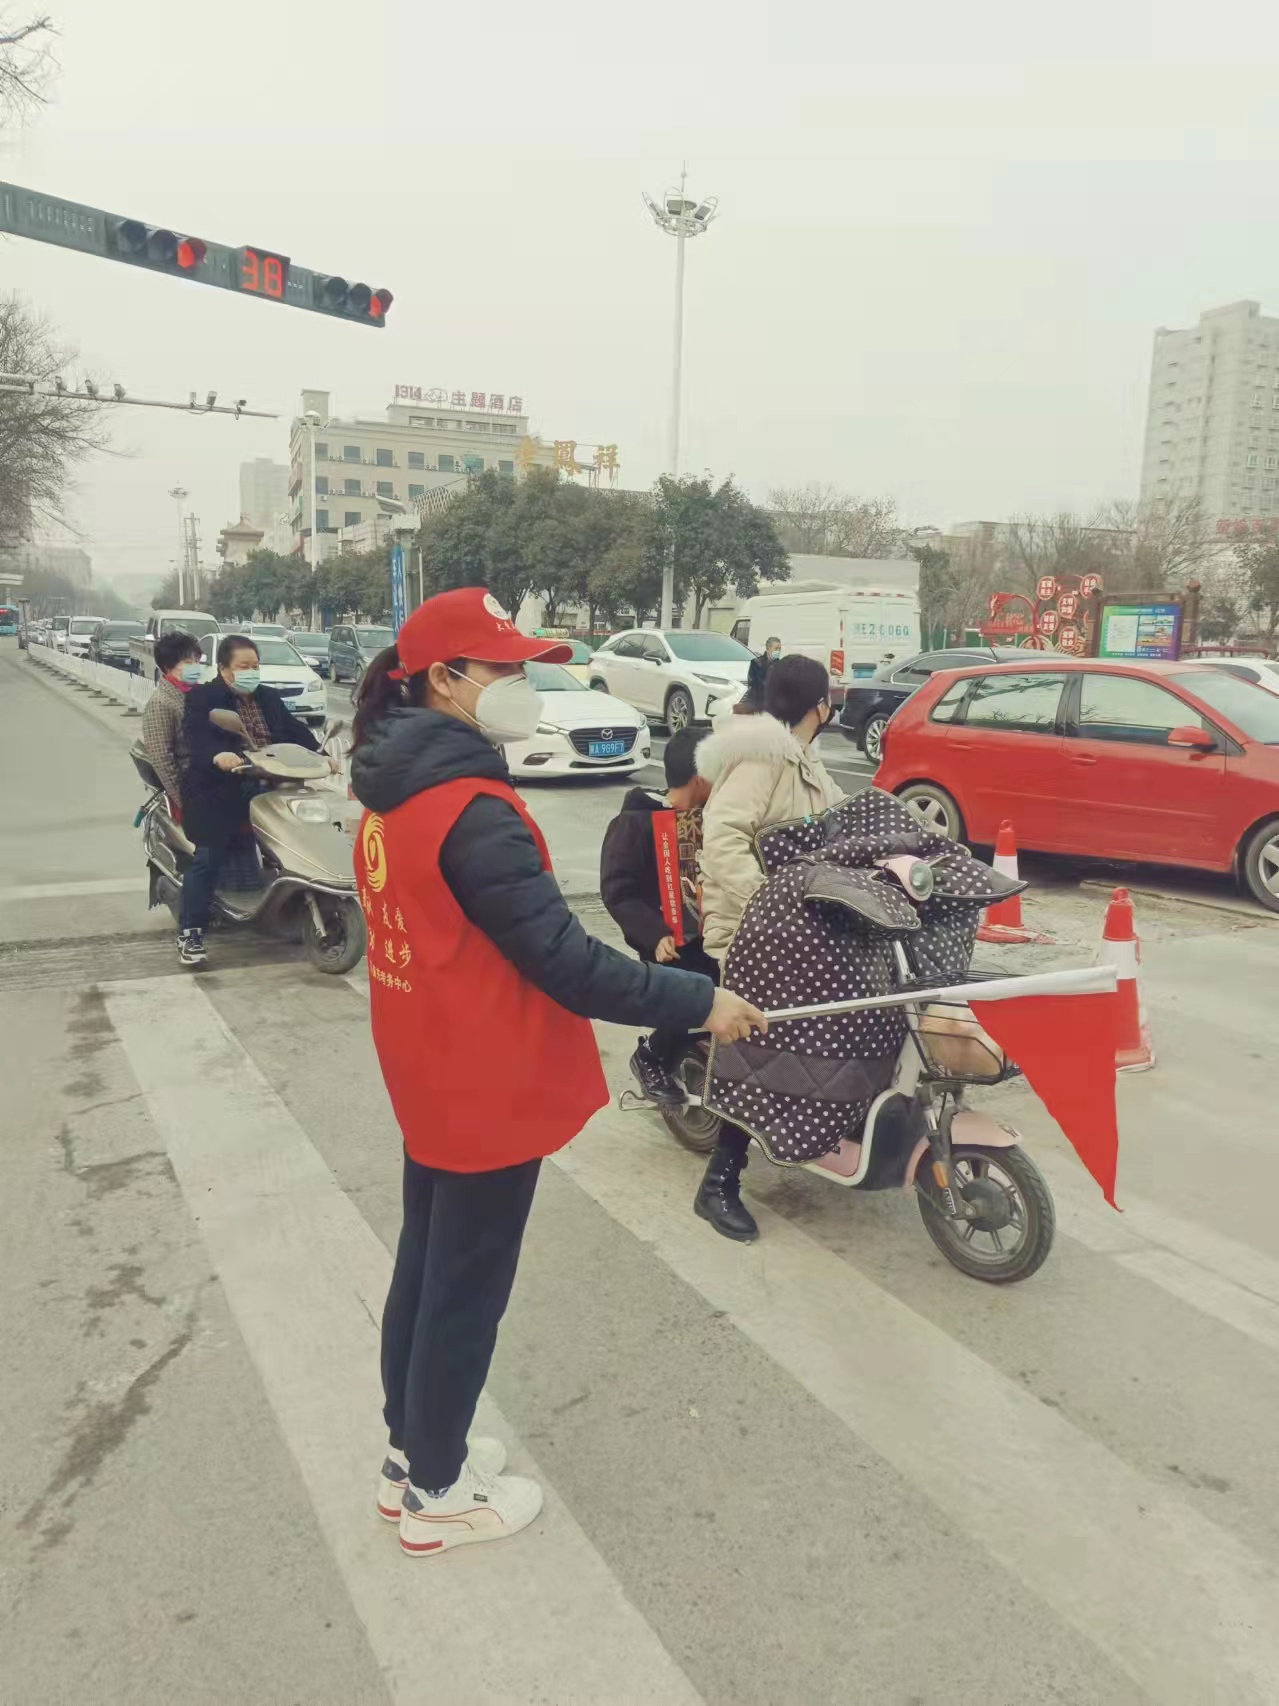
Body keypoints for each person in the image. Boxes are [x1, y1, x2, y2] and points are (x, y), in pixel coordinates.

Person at [348, 587, 765, 1559]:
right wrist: (698, 1002)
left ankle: (412, 1453)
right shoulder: (469, 808)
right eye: (504, 668)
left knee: (426, 1262)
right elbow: (565, 961)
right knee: (464, 1284)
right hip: (483, 1082)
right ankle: (439, 1494)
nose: (524, 684)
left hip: (428, 1068)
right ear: (445, 680)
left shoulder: (388, 784)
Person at [689, 653, 845, 1241]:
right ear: (820, 707)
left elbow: (846, 821)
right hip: (752, 933)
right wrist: (768, 904)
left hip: (798, 929)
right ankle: (718, 1183)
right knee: (760, 1048)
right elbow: (722, 836)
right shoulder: (763, 756)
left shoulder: (804, 759)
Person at [178, 634, 326, 968]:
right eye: (244, 666)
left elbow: (295, 731)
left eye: (255, 666)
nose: (251, 672)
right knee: (208, 857)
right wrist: (220, 755)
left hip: (270, 785)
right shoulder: (205, 698)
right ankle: (190, 932)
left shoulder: (269, 697)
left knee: (303, 839)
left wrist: (323, 755)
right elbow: (198, 738)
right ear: (224, 670)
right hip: (217, 789)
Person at [600, 726, 716, 1105]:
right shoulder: (636, 823)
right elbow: (619, 891)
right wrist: (654, 934)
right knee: (695, 987)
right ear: (701, 777)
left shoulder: (712, 818)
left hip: (713, 930)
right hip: (669, 943)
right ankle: (651, 1055)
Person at [140, 631, 203, 816]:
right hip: (190, 789)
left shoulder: (196, 694)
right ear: (168, 667)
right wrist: (185, 801)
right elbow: (162, 759)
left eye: (198, 662)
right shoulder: (161, 703)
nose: (196, 668)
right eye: (189, 663)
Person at [739, 634, 781, 714]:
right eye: (776, 649)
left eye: (779, 649)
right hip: (758, 704)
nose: (778, 651)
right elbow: (755, 684)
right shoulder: (756, 663)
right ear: (768, 649)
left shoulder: (780, 665)